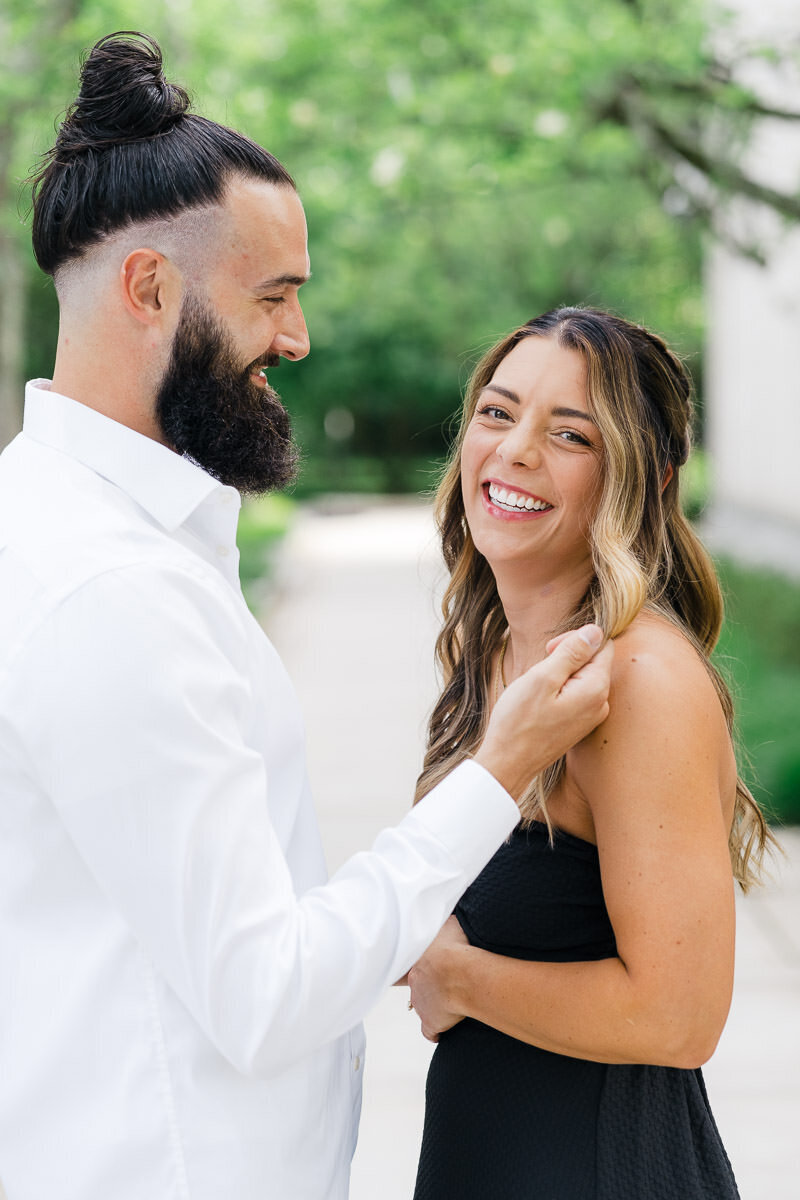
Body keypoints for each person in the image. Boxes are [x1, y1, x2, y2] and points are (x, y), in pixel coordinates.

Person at [0, 34, 614, 1200]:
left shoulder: (60, 525)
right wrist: (500, 770)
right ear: (151, 289)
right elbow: (264, 990)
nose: (297, 339)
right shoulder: (108, 591)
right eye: (273, 297)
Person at [407, 307, 776, 1199]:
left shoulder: (639, 683)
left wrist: (455, 974)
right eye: (497, 413)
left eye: (570, 433)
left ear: (641, 479)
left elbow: (679, 1017)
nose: (516, 449)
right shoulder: (490, 647)